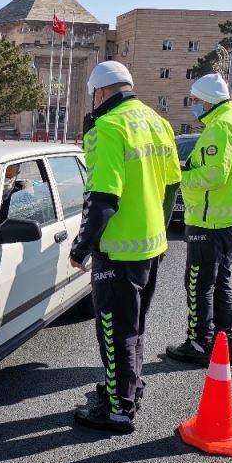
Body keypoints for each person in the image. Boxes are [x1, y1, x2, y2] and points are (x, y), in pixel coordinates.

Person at [70, 61, 181, 434]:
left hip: (117, 251)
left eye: (93, 95)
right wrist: (161, 233)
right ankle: (129, 389)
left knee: (115, 331)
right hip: (151, 246)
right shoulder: (156, 121)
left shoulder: (108, 128)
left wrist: (81, 246)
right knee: (133, 328)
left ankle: (118, 410)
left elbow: (101, 197)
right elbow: (171, 187)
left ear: (101, 92)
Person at [166, 74, 232, 366]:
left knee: (198, 285)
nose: (194, 105)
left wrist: (182, 175)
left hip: (209, 221)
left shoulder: (220, 127)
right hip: (230, 218)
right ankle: (224, 344)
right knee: (220, 283)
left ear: (208, 100)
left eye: (196, 100)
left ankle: (199, 344)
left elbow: (215, 175)